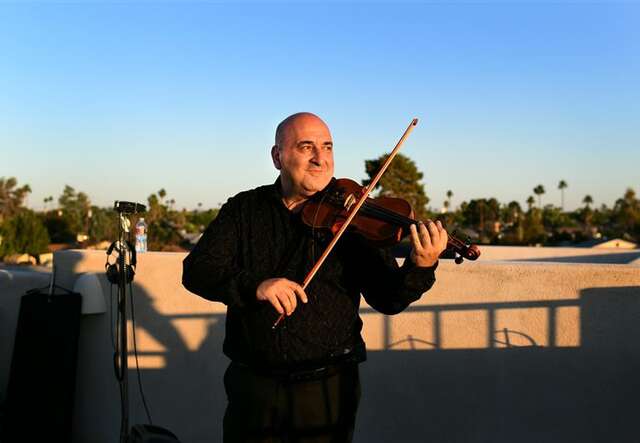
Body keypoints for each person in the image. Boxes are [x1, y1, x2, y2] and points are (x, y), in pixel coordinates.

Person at [182, 112, 448, 443]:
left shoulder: (353, 219)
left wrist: (420, 265)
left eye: (327, 147)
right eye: (306, 147)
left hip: (329, 385)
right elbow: (198, 270)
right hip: (254, 384)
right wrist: (256, 286)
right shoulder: (244, 209)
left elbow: (388, 298)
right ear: (278, 157)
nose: (320, 159)